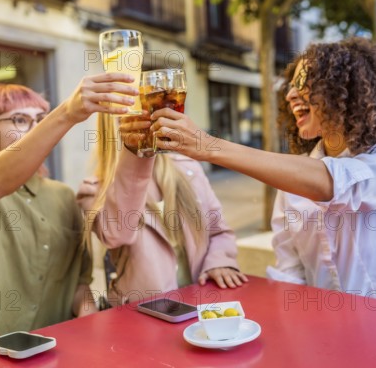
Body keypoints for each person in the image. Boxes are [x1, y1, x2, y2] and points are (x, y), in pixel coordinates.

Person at [150, 37, 376, 308]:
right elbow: (291, 273)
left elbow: (337, 183)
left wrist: (209, 146)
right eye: (290, 85)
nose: (290, 94)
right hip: (326, 335)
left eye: (303, 83)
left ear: (344, 91)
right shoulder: (292, 178)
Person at [0, 74, 137, 367]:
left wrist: (91, 327)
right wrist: (65, 114)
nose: (37, 129)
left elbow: (79, 287)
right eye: (21, 120)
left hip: (48, 343)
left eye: (41, 120)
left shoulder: (63, 196)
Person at [77, 111, 248, 306]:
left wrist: (219, 261)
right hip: (144, 315)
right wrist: (136, 151)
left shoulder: (188, 169)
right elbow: (118, 235)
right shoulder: (95, 190)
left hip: (202, 305)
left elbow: (219, 231)